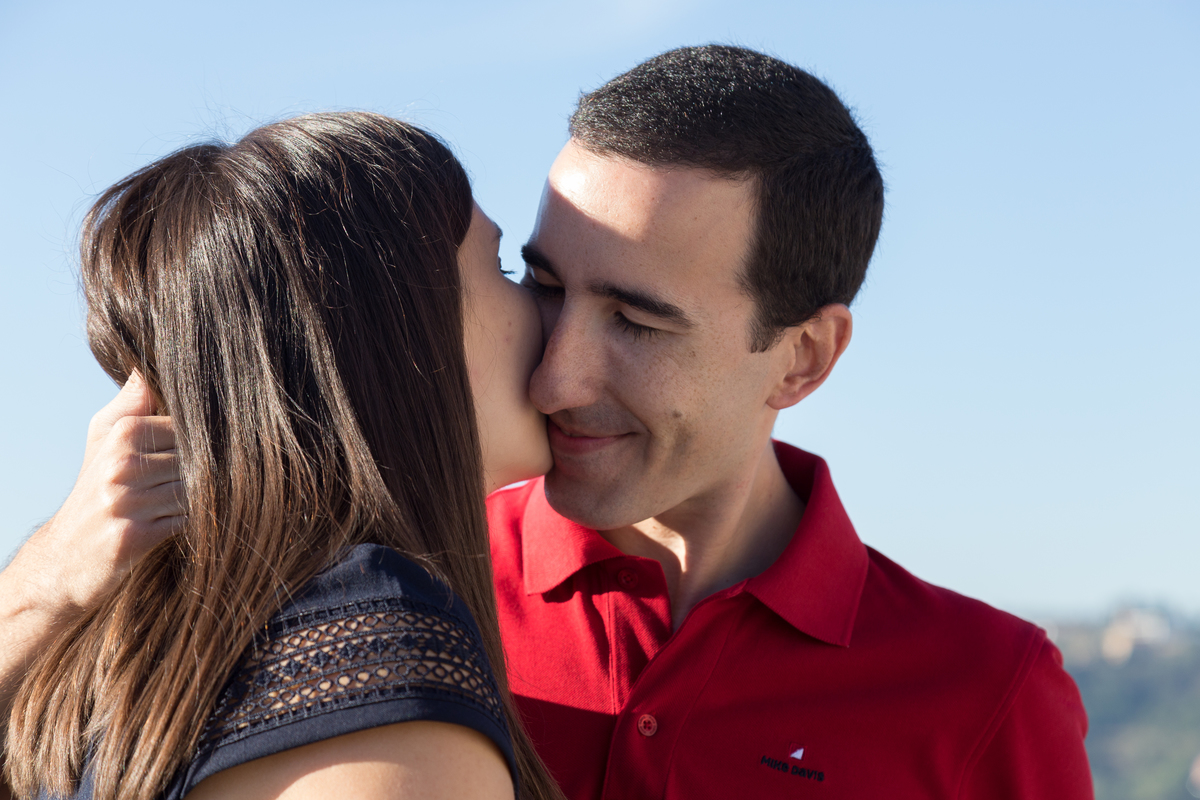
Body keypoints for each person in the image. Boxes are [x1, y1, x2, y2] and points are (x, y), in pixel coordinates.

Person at [2, 45, 1094, 799]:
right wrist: (44, 578)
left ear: (802, 356)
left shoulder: (983, 687)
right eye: (542, 283)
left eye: (636, 320)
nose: (558, 371)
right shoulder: (355, 599)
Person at [0, 112, 563, 800]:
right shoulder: (371, 655)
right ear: (399, 334)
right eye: (501, 269)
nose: (550, 318)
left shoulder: (113, 659)